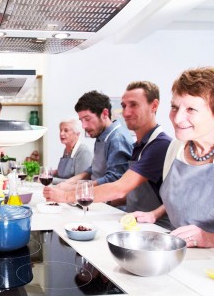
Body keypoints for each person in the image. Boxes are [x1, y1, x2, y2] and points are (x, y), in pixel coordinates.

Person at [45, 82, 173, 228]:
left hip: (156, 227)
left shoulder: (159, 144)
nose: (126, 113)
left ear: (154, 106)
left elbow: (119, 187)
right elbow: (128, 193)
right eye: (124, 106)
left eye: (134, 105)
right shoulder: (139, 144)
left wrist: (68, 195)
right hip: (134, 221)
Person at [133, 67, 214, 250]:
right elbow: (185, 197)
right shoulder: (177, 146)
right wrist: (154, 214)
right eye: (174, 107)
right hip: (180, 254)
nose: (177, 119)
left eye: (191, 109)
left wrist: (210, 239)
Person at [44, 90, 133, 204]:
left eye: (87, 119)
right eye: (81, 120)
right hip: (97, 200)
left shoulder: (117, 139)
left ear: (105, 114)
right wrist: (68, 183)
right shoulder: (101, 136)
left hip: (111, 206)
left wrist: (72, 189)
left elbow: (114, 179)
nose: (84, 126)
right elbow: (92, 170)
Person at [52, 117, 93, 183]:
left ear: (77, 134)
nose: (61, 133)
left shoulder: (83, 151)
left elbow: (80, 182)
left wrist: (51, 180)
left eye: (66, 130)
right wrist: (51, 173)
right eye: (61, 130)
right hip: (62, 190)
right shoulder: (66, 150)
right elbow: (64, 173)